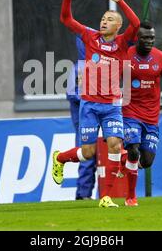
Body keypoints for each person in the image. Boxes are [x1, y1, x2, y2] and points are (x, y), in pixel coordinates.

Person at [52, 0, 140, 208]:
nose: (104, 21)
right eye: (103, 18)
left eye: (109, 19)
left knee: (114, 145)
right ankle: (60, 158)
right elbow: (66, 19)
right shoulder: (89, 36)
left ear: (118, 26)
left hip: (112, 106)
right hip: (89, 105)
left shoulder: (122, 43)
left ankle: (106, 197)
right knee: (89, 152)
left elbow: (137, 24)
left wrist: (118, 0)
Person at [121, 21, 162, 206]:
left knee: (146, 161)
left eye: (152, 38)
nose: (149, 41)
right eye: (145, 37)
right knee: (133, 149)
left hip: (151, 116)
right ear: (137, 38)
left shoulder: (161, 58)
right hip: (130, 112)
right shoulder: (126, 55)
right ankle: (131, 197)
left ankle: (127, 162)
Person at [66, 34, 97, 200]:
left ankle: (85, 193)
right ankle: (83, 194)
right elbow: (72, 94)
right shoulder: (79, 67)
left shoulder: (94, 66)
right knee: (87, 154)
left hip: (92, 117)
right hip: (83, 119)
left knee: (92, 155)